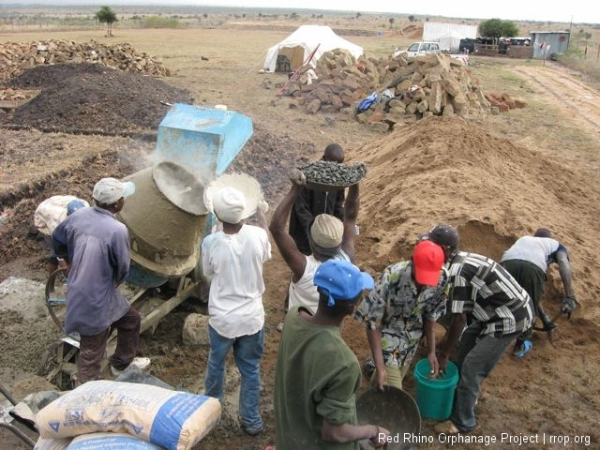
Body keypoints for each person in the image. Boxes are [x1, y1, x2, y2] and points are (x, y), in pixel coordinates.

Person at [274, 259, 390, 449]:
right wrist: (373, 430)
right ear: (352, 308)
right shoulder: (344, 363)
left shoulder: (294, 316)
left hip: (290, 439)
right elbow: (334, 432)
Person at [52, 177, 149, 385]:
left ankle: (119, 364)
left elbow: (57, 238)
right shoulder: (117, 230)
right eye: (123, 197)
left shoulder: (78, 216)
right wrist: (113, 281)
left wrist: (66, 261)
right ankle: (85, 390)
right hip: (93, 299)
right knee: (92, 349)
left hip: (91, 289)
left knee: (131, 320)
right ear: (116, 204)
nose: (124, 200)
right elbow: (123, 267)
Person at [435, 251, 534, 435]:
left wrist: (444, 353)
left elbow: (459, 319)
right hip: (492, 312)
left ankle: (462, 422)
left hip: (509, 319)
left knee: (472, 367)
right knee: (464, 345)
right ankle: (465, 396)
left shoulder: (457, 272)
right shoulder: (460, 258)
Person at [201, 186, 271, 436]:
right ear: (244, 214)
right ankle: (251, 419)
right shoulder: (257, 236)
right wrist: (262, 213)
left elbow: (207, 274)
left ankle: (209, 412)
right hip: (252, 318)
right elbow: (265, 241)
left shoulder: (211, 242)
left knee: (216, 364)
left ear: (218, 216)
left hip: (223, 319)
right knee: (250, 368)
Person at [354, 240, 448, 391]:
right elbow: (372, 323)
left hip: (410, 344)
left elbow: (431, 315)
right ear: (412, 260)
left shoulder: (442, 278)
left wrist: (431, 351)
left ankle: (369, 403)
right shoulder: (391, 277)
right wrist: (380, 366)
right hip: (387, 338)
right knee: (394, 394)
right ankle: (376, 370)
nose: (425, 283)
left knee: (382, 387)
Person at [269, 168, 360, 317]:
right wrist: (355, 183)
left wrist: (295, 189)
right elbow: (350, 216)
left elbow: (276, 228)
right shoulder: (347, 258)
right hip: (327, 334)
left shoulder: (303, 267)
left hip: (298, 333)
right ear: (339, 243)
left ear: (311, 242)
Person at [500, 228, 576, 357]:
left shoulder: (524, 239)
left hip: (506, 263)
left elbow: (534, 294)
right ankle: (519, 346)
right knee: (529, 309)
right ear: (549, 239)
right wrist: (570, 295)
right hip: (533, 268)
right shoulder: (555, 245)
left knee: (501, 301)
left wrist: (545, 318)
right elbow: (563, 261)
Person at [289, 143, 345, 256]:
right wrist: (313, 229)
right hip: (304, 232)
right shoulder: (307, 178)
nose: (335, 169)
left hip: (324, 232)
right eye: (333, 164)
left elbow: (338, 205)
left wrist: (339, 224)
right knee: (304, 259)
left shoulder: (338, 180)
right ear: (324, 159)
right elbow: (301, 209)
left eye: (339, 165)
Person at [34, 195, 89, 275]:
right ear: (68, 216)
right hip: (43, 219)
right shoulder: (58, 224)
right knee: (55, 255)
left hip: (56, 202)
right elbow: (59, 248)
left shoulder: (85, 206)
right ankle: (51, 279)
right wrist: (69, 270)